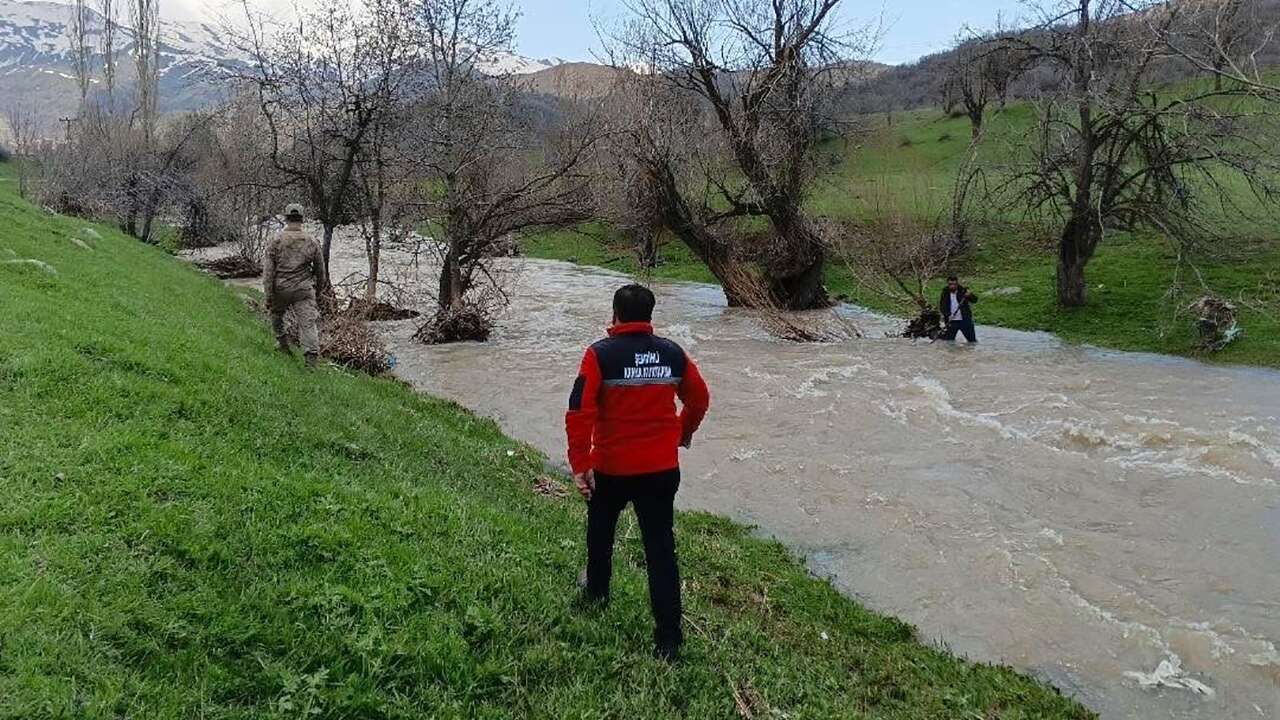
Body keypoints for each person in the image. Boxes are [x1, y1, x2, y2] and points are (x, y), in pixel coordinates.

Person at [565, 284, 711, 662]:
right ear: (649, 316)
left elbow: (579, 411)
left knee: (601, 531)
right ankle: (668, 641)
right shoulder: (673, 353)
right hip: (661, 470)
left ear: (614, 314)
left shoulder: (599, 354)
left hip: (611, 469)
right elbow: (700, 398)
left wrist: (581, 465)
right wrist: (682, 432)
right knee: (661, 551)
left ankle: (597, 592)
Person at [263, 203, 328, 367]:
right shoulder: (312, 241)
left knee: (277, 315)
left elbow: (268, 273)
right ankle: (311, 361)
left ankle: (282, 343)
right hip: (303, 290)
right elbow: (321, 272)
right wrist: (318, 292)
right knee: (308, 324)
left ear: (286, 218)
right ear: (302, 219)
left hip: (281, 288)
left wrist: (269, 296)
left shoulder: (275, 240)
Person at [939, 275, 979, 343]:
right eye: (950, 284)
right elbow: (942, 306)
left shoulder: (963, 290)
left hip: (965, 320)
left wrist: (970, 295)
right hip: (951, 321)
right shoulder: (945, 292)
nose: (952, 286)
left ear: (957, 283)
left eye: (954, 284)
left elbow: (975, 300)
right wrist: (947, 315)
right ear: (948, 284)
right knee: (948, 341)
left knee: (972, 341)